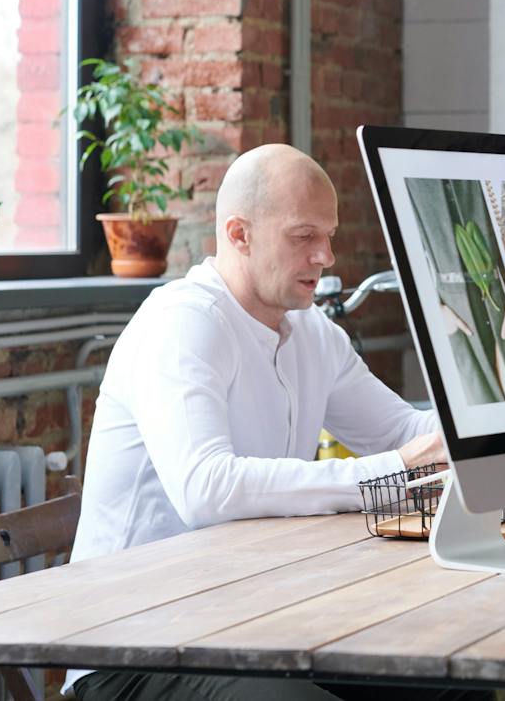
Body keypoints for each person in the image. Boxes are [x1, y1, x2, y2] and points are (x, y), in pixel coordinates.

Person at [67, 144, 444, 701]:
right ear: (239, 234)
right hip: (134, 645)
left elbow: (405, 433)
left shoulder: (312, 330)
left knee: (448, 679)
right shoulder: (183, 323)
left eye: (329, 236)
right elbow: (206, 489)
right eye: (304, 237)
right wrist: (392, 470)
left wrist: (499, 422)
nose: (327, 257)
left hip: (256, 623)